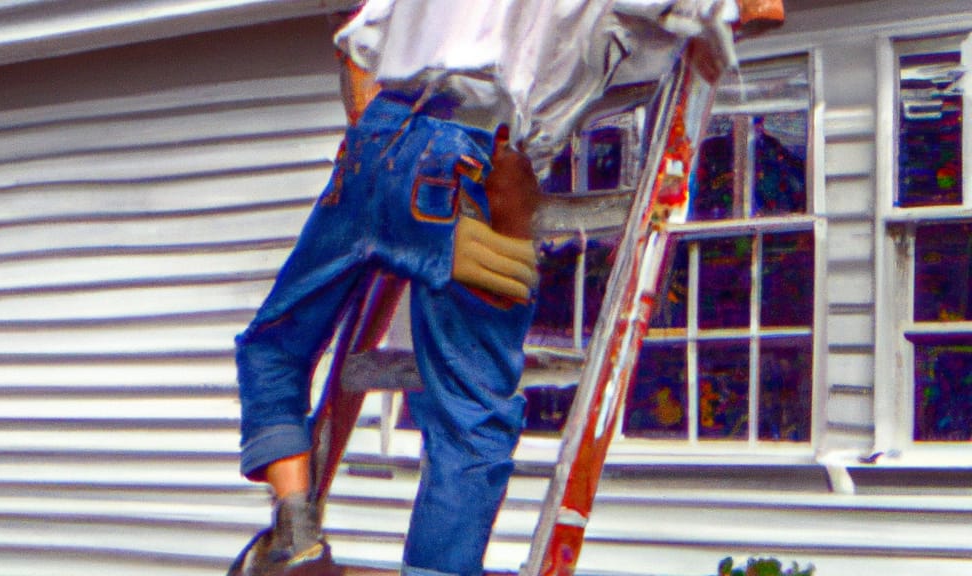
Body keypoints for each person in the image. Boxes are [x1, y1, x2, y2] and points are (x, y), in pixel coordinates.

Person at [229, 1, 764, 575]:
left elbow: (359, 33)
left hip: (378, 139)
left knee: (274, 343)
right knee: (472, 414)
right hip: (478, 159)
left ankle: (295, 529)